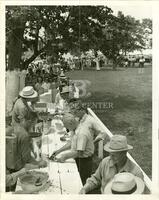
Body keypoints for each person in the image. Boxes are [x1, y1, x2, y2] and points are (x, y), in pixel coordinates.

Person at [79, 135, 144, 194]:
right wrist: (84, 189)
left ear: (124, 153)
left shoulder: (136, 173)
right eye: (110, 153)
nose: (111, 157)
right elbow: (95, 179)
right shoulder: (105, 162)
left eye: (115, 154)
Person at [49, 113, 94, 185]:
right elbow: (71, 143)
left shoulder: (82, 133)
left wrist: (65, 156)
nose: (67, 129)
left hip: (84, 161)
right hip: (79, 158)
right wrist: (58, 151)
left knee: (82, 182)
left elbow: (79, 152)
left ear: (71, 124)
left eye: (67, 127)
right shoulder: (75, 128)